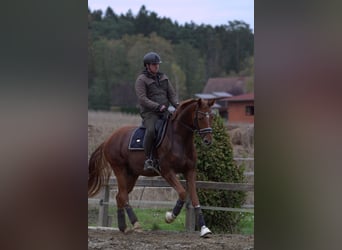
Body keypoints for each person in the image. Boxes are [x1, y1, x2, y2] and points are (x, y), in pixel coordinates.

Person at [135, 52, 179, 172]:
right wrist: (157, 106)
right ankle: (149, 159)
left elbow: (172, 95)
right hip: (149, 113)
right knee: (151, 130)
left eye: (157, 64)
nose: (157, 66)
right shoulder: (141, 80)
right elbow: (142, 99)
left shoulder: (164, 77)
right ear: (147, 66)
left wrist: (178, 106)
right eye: (154, 64)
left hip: (164, 112)